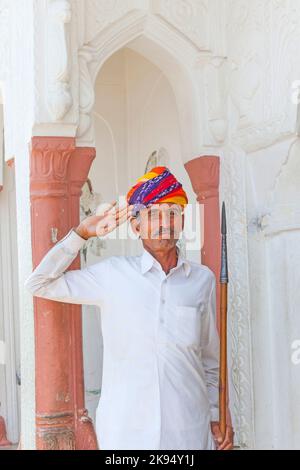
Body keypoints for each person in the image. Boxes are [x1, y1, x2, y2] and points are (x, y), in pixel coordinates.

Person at [25, 166, 234, 450]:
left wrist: (217, 416)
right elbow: (39, 283)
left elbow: (211, 362)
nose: (165, 221)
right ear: (136, 226)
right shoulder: (112, 276)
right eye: (154, 214)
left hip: (190, 433)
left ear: (182, 221)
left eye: (172, 212)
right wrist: (82, 233)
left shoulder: (202, 281)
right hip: (127, 437)